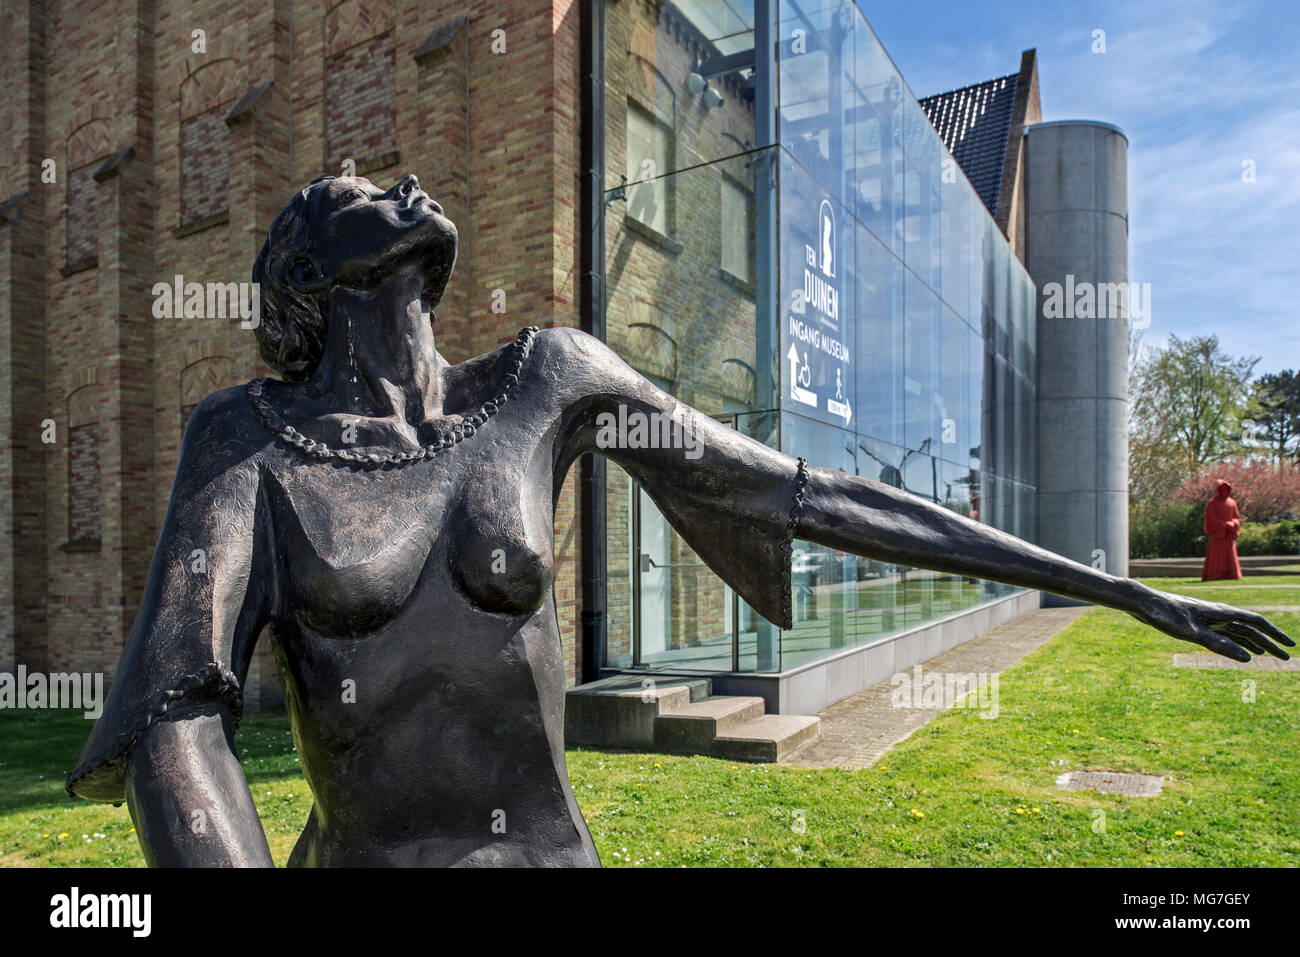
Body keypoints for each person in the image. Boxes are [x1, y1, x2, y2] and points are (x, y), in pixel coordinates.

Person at [66, 173, 1293, 867]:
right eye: (354, 191)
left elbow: (806, 494)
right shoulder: (247, 440)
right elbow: (178, 710)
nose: (403, 183)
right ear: (307, 271)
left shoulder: (545, 378)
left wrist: (1117, 586)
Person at [1202, 478, 1244, 581]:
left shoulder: (1232, 503)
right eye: (1222, 489)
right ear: (1218, 490)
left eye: (1226, 489)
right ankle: (1216, 575)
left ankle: (1232, 574)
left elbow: (1237, 517)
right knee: (1217, 557)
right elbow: (1210, 519)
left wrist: (1233, 523)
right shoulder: (1212, 503)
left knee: (1230, 555)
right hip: (1218, 536)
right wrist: (1222, 525)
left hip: (1229, 535)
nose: (1224, 491)